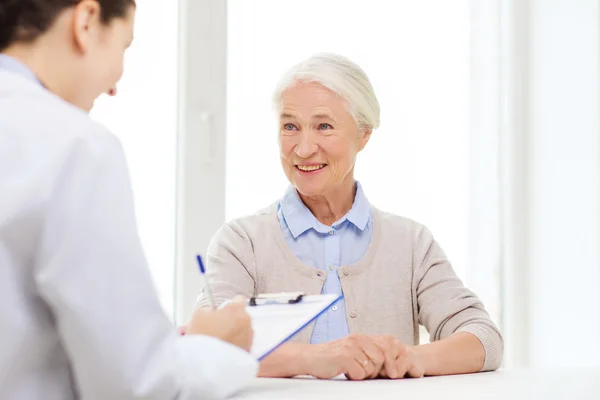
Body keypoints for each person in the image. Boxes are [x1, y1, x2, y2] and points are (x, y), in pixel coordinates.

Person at [0, 1, 256, 399]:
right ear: (86, 22)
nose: (115, 84)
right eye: (124, 46)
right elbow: (138, 385)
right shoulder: (73, 144)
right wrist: (212, 345)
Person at [195, 53, 503, 380]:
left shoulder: (410, 243)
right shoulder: (241, 243)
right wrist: (313, 358)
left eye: (324, 126)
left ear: (364, 133)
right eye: (290, 126)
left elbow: (483, 338)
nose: (303, 148)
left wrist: (407, 358)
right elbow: (208, 348)